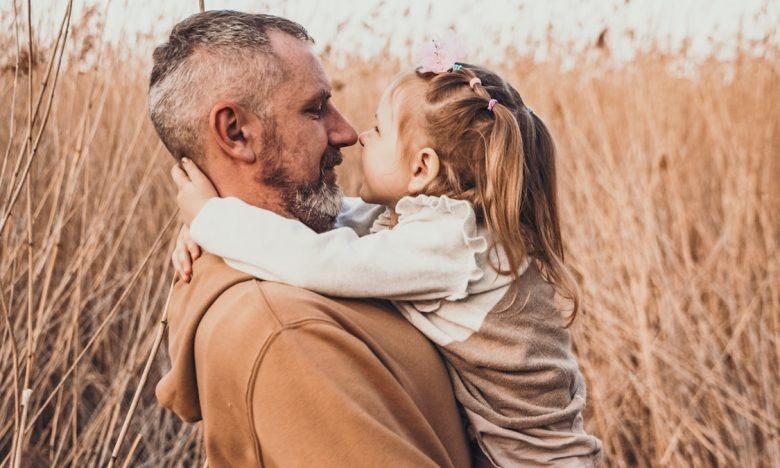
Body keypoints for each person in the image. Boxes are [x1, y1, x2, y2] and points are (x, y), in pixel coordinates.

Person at [171, 41, 603, 466]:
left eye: (377, 130)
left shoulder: (449, 245)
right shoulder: (441, 225)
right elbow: (345, 220)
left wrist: (213, 218)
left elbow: (320, 260)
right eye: (316, 109)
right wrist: (218, 223)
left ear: (422, 168)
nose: (357, 136)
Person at [150, 10, 471, 467]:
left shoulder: (297, 251)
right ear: (237, 133)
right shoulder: (286, 332)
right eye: (315, 109)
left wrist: (213, 221)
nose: (345, 132)